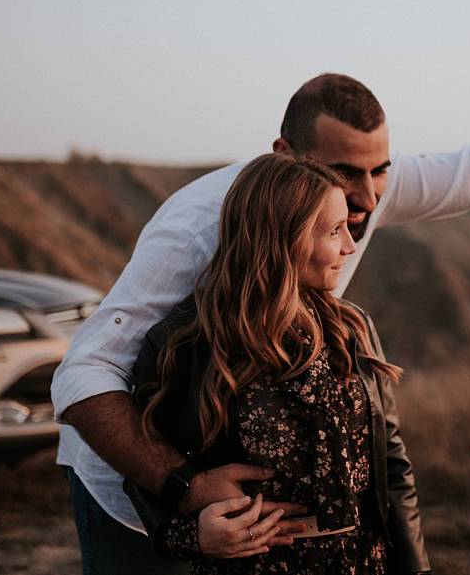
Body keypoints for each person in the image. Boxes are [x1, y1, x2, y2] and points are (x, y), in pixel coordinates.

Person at [51, 72, 470, 573]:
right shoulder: (197, 228)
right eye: (345, 174)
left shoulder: (359, 196)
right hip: (133, 484)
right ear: (285, 154)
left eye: (380, 171)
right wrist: (184, 487)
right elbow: (84, 372)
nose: (367, 200)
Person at [125, 153, 426, 574]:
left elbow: (392, 464)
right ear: (287, 237)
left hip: (364, 561)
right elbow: (143, 471)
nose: (349, 246)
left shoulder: (350, 329)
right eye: (335, 230)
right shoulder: (185, 344)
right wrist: (194, 537)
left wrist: (415, 568)